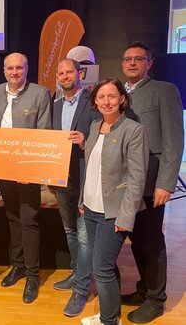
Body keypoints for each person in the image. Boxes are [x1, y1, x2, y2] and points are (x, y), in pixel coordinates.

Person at [120, 41, 184, 323]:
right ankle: (144, 289)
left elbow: (174, 141)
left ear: (150, 63)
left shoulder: (164, 91)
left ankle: (157, 300)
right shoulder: (118, 94)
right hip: (125, 183)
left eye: (138, 59)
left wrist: (166, 183)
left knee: (152, 242)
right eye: (128, 59)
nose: (132, 63)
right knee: (136, 241)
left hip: (150, 183)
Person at [80, 78, 149, 325]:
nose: (106, 101)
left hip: (113, 212)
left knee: (102, 268)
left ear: (121, 99)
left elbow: (137, 178)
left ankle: (109, 321)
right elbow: (90, 167)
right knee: (106, 266)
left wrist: (125, 217)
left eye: (111, 96)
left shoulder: (133, 130)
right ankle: (112, 315)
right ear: (95, 101)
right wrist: (82, 199)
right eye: (101, 97)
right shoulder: (95, 126)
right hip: (90, 208)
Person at [0, 52, 52, 304]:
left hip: (28, 169)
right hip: (3, 167)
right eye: (10, 68)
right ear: (4, 70)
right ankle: (17, 266)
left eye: (19, 68)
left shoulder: (40, 93)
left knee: (29, 221)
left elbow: (45, 132)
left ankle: (33, 275)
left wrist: (34, 170)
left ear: (27, 69)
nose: (14, 72)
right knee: (12, 217)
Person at [50, 58, 99, 317]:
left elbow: (106, 135)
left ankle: (80, 290)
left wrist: (85, 140)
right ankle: (76, 272)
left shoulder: (93, 102)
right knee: (69, 229)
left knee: (83, 235)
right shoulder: (54, 104)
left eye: (70, 71)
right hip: (61, 177)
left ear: (79, 73)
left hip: (86, 177)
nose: (65, 76)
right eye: (61, 73)